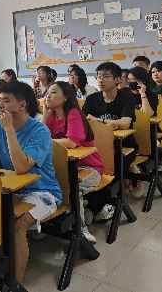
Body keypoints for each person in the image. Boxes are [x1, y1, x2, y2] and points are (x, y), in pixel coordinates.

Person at [0, 81, 61, 285]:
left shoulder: (40, 131)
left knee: (17, 225)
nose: (1, 105)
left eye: (6, 101)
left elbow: (21, 167)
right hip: (10, 190)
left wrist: (10, 130)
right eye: (0, 100)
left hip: (43, 192)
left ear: (22, 105)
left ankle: (15, 283)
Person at [43, 82, 103, 243]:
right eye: (47, 92)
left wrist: (47, 141)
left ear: (65, 97)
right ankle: (50, 223)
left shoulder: (73, 113)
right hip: (65, 168)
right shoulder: (52, 116)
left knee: (72, 188)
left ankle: (81, 230)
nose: (48, 95)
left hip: (90, 169)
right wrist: (45, 114)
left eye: (53, 92)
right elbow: (40, 137)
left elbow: (71, 142)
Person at [83, 62, 140, 205]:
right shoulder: (91, 99)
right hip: (98, 144)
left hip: (124, 145)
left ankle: (105, 201)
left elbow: (125, 123)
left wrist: (99, 120)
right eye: (99, 76)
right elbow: (84, 121)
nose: (101, 80)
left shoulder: (126, 97)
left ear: (117, 80)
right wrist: (110, 124)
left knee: (113, 166)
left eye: (106, 76)